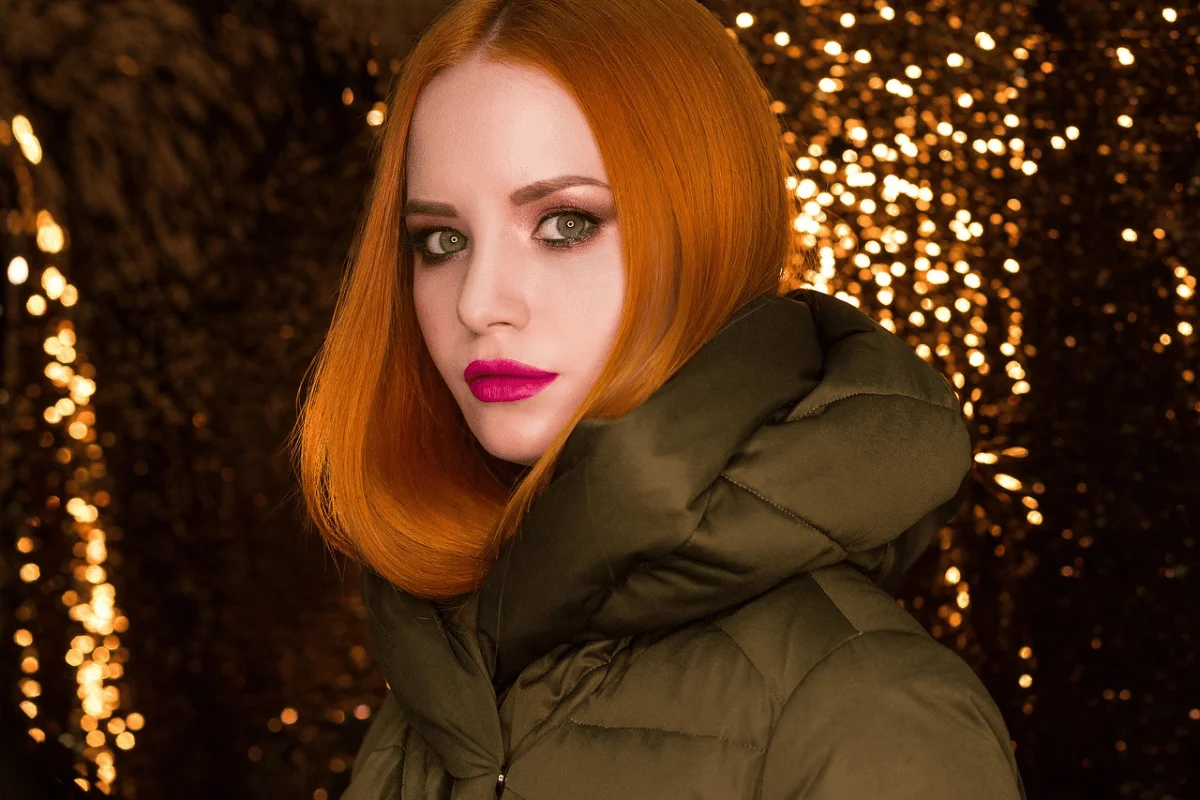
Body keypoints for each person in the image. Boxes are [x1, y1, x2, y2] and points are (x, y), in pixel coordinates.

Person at [288, 0, 1029, 797]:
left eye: (565, 223)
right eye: (442, 241)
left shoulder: (870, 712)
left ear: (707, 226)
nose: (478, 303)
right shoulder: (441, 685)